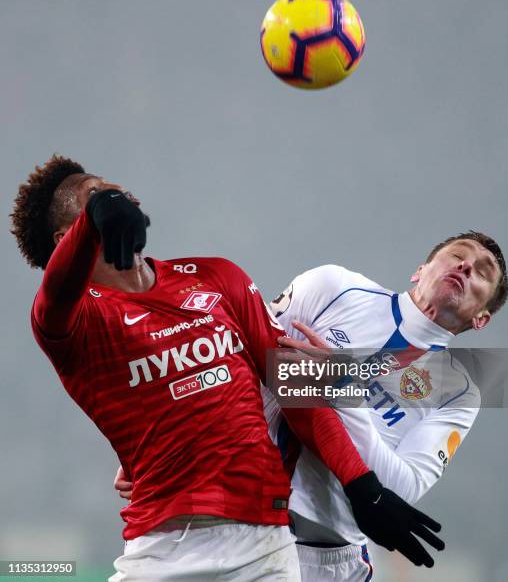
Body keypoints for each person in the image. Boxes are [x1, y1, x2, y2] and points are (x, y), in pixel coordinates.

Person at [11, 155, 444, 582]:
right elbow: (55, 291)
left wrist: (362, 486)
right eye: (98, 194)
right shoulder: (71, 321)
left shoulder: (217, 277)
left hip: (263, 547)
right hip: (160, 548)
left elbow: (295, 390)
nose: (120, 196)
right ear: (66, 236)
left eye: (117, 191)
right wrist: (95, 219)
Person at [115, 232, 508, 582]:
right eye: (458, 254)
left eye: (482, 271)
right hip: (232, 516)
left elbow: (398, 491)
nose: (465, 266)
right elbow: (239, 361)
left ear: (481, 319)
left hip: (327, 555)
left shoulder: (459, 390)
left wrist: (342, 383)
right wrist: (161, 438)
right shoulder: (335, 287)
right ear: (419, 270)